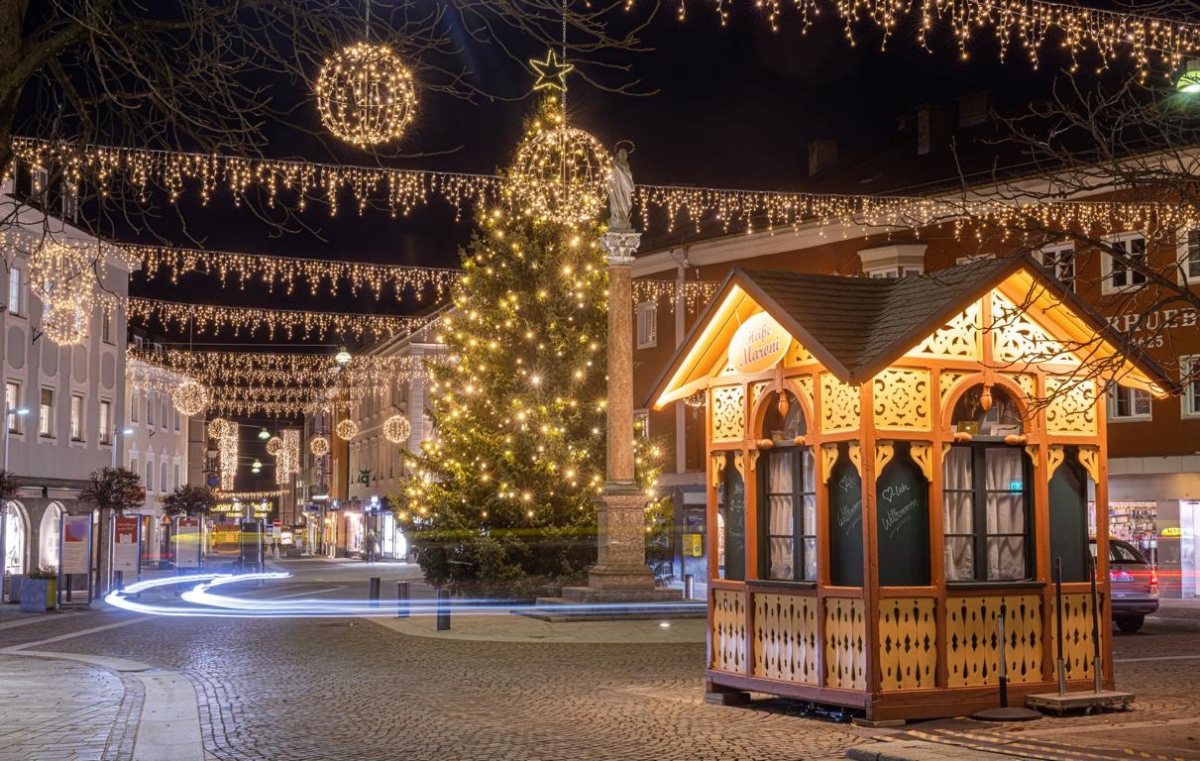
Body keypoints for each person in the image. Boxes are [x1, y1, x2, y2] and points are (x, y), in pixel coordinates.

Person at [608, 146, 633, 231]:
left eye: (624, 154)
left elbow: (629, 175)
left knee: (626, 201)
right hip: (616, 187)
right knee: (617, 200)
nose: (623, 155)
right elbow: (610, 175)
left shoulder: (626, 164)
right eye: (621, 153)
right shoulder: (614, 164)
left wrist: (622, 169)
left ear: (626, 156)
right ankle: (617, 216)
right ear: (618, 155)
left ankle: (623, 217)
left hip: (625, 186)